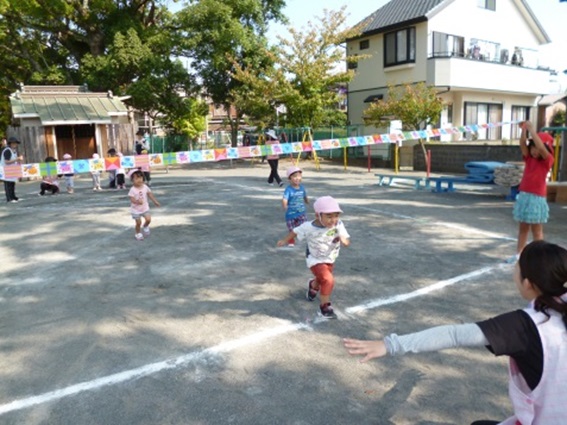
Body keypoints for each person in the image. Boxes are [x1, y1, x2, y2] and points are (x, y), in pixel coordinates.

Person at [344, 240, 567, 425]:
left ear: (527, 283)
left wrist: (389, 344)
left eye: (517, 265)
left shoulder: (525, 327)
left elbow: (454, 335)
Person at [277, 196, 350, 319]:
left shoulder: (338, 224)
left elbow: (346, 240)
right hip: (314, 258)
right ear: (318, 215)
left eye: (336, 215)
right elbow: (295, 231)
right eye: (329, 216)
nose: (333, 220)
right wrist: (285, 240)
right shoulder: (308, 226)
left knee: (322, 279)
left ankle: (313, 285)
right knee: (328, 280)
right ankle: (325, 307)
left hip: (330, 257)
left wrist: (344, 240)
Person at [513, 121, 554, 255]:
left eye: (538, 147)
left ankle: (540, 256)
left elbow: (542, 149)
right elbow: (522, 145)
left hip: (537, 198)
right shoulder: (529, 159)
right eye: (533, 147)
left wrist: (532, 130)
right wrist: (524, 130)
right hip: (524, 196)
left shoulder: (547, 161)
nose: (535, 150)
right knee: (523, 229)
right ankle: (519, 254)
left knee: (537, 231)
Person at [128, 169, 160, 241]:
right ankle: (138, 233)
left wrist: (155, 201)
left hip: (145, 208)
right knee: (138, 222)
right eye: (136, 178)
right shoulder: (132, 189)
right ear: (132, 180)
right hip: (136, 210)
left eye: (140, 177)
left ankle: (145, 226)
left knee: (148, 219)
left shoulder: (145, 187)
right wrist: (137, 202)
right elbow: (131, 199)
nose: (139, 180)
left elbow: (149, 194)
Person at [282, 165, 309, 247]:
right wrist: (285, 205)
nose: (297, 178)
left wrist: (306, 200)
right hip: (291, 214)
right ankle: (291, 239)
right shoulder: (288, 189)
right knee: (292, 229)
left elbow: (304, 195)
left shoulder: (302, 188)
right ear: (289, 178)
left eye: (299, 176)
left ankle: (302, 234)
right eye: (294, 176)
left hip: (301, 212)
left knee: (304, 225)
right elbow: (285, 198)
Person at [1, 136, 24, 203]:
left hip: (11, 170)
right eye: (14, 143)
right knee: (8, 185)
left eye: (16, 143)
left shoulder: (13, 151)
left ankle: (13, 197)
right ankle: (9, 198)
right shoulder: (7, 150)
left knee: (12, 184)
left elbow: (14, 160)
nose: (15, 145)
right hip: (6, 170)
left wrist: (18, 161)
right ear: (10, 144)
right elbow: (6, 161)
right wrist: (17, 159)